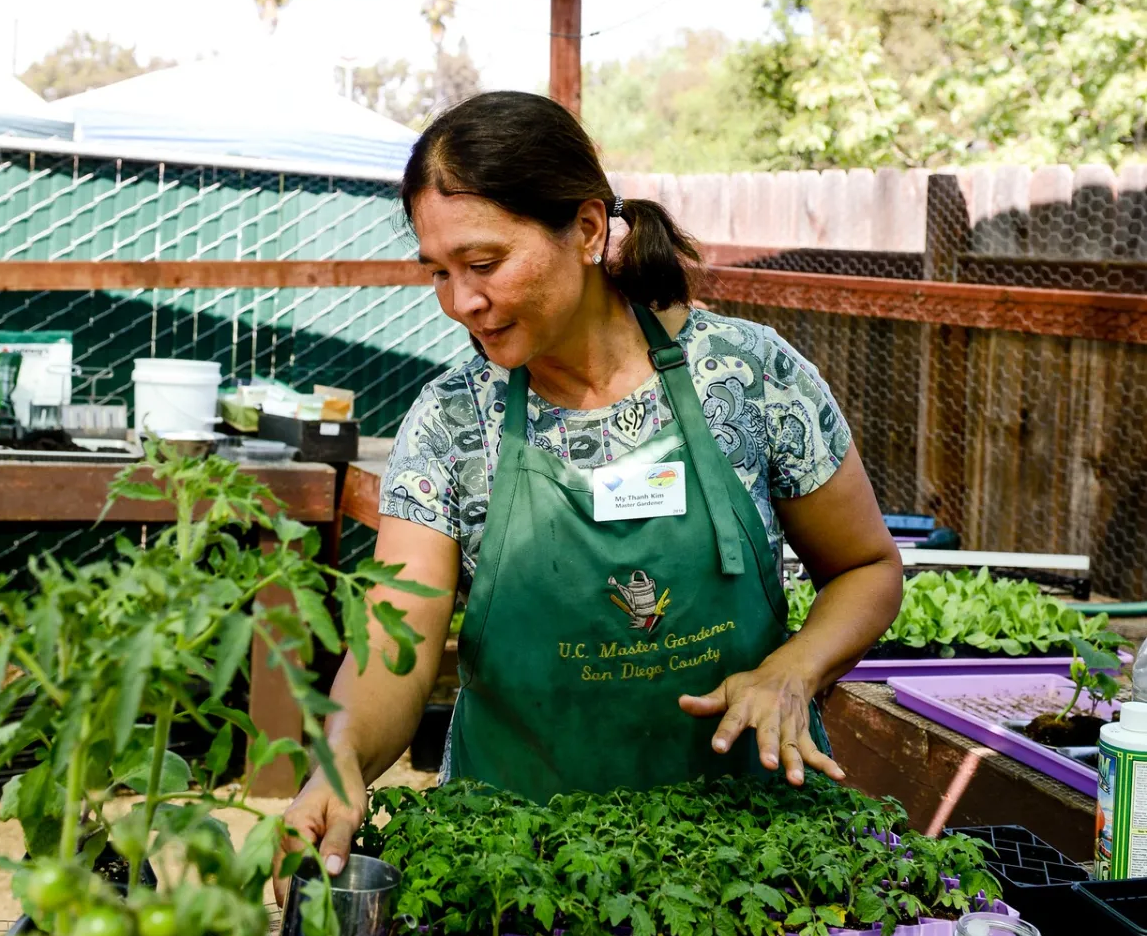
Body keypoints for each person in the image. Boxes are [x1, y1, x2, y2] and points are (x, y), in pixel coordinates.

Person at [283, 92, 902, 878]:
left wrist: (795, 668)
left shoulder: (749, 376)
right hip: (520, 866)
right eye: (437, 272)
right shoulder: (449, 422)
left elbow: (867, 569)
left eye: (483, 264)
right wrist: (339, 761)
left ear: (585, 229)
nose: (460, 302)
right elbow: (391, 642)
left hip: (749, 854)